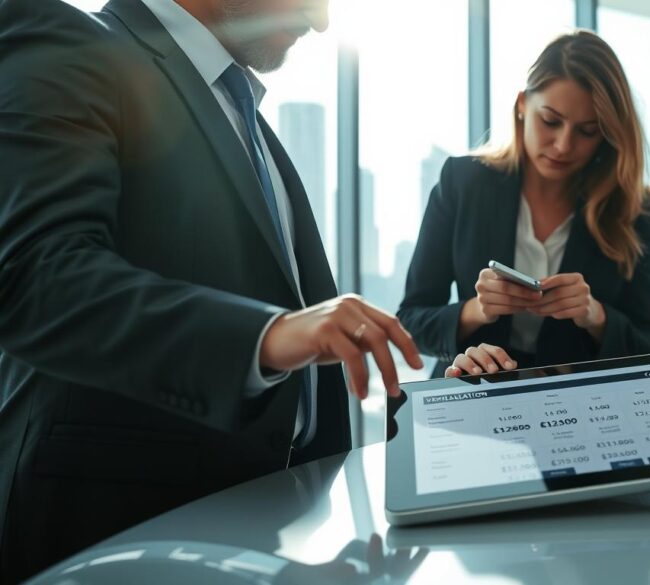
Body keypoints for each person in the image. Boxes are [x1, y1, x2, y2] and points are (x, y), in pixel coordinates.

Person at [0, 0, 422, 581]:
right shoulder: (72, 43)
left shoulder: (243, 115)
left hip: (260, 540)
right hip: (105, 544)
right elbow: (36, 277)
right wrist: (268, 336)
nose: (323, 22)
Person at [398, 31, 650, 379]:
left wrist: (594, 315)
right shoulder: (462, 183)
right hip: (471, 399)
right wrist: (476, 310)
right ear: (522, 104)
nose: (563, 145)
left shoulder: (637, 212)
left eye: (587, 131)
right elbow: (412, 322)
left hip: (581, 409)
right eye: (551, 121)